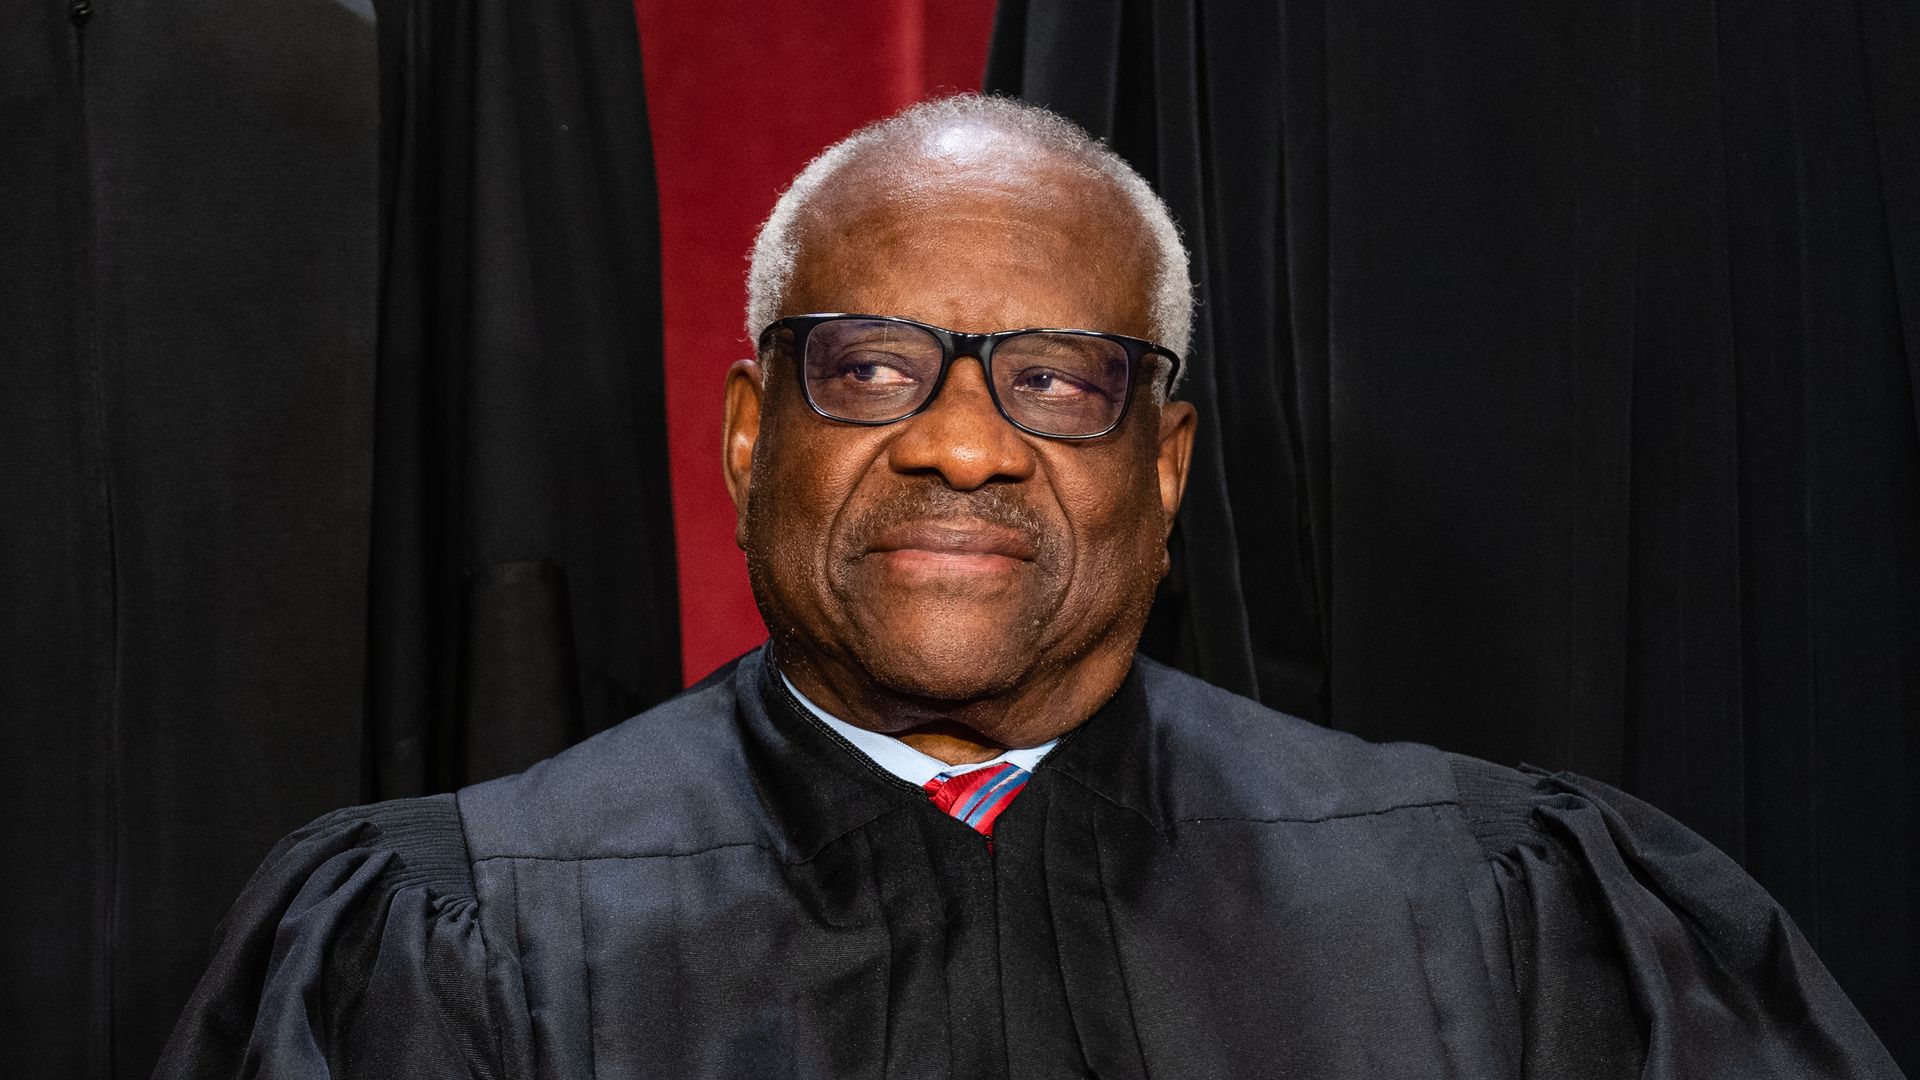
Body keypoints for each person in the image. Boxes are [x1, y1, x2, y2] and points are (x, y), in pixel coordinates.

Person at [155, 94, 1901, 1079]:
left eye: (1060, 379)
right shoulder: (460, 936)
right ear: (752, 437)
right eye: (870, 369)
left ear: (1165, 466)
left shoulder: (1494, 913)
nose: (967, 447)